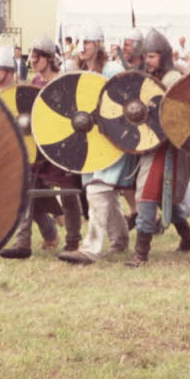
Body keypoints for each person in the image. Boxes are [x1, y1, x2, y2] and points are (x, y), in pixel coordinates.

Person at [2, 36, 82, 259]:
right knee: (26, 192)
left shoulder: (62, 82)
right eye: (33, 57)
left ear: (48, 58)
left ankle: (73, 240)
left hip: (60, 145)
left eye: (37, 57)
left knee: (67, 193)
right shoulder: (35, 83)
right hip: (36, 148)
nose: (33, 61)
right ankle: (22, 242)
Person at [57, 24, 131, 265]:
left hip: (113, 140)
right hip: (92, 141)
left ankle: (90, 249)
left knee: (97, 190)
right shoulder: (81, 72)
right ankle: (119, 241)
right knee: (100, 191)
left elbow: (125, 104)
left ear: (97, 45)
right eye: (81, 42)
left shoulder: (112, 70)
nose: (83, 47)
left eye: (87, 42)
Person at [125, 29, 190, 266]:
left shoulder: (172, 79)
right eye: (146, 56)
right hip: (151, 145)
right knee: (163, 196)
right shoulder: (148, 77)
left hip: (169, 147)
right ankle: (188, 237)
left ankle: (141, 254)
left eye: (153, 56)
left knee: (147, 193)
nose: (148, 61)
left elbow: (180, 116)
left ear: (164, 57)